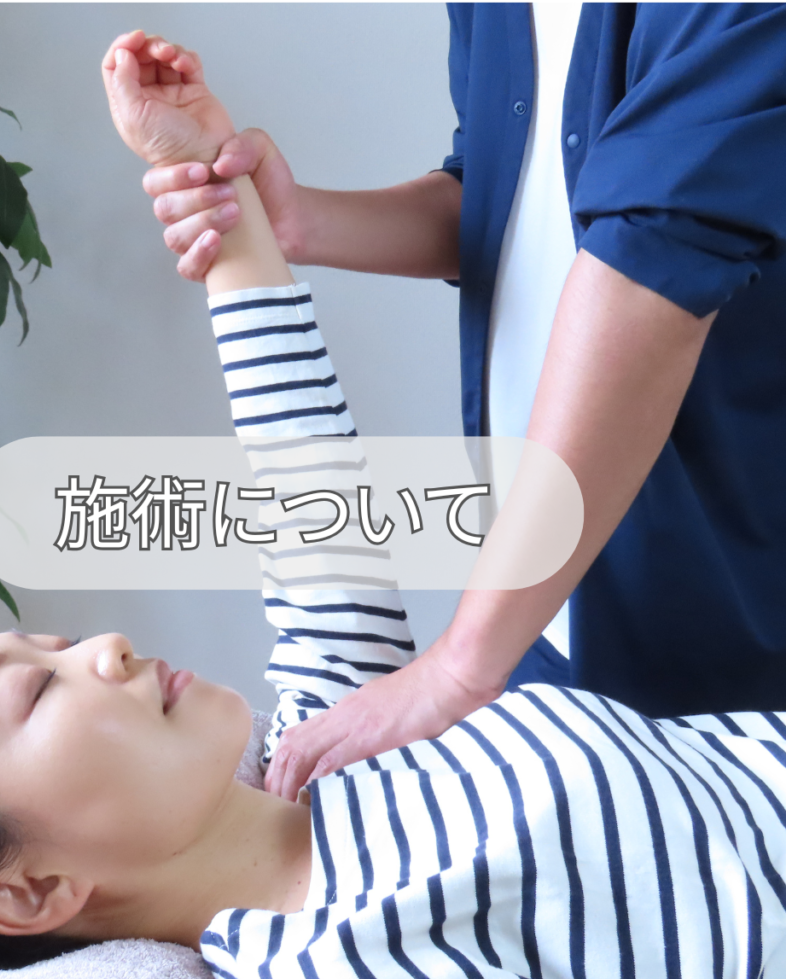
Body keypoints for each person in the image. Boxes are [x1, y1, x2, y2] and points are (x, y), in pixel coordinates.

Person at [0, 30, 784, 979]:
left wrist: (211, 177)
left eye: (57, 647)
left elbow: (305, 479)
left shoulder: (323, 757)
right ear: (31, 891)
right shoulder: (352, 977)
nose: (103, 648)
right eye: (35, 694)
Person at [134, 5, 786, 804]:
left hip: (716, 614)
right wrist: (299, 219)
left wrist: (457, 670)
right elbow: (499, 195)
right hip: (533, 610)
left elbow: (654, 263)